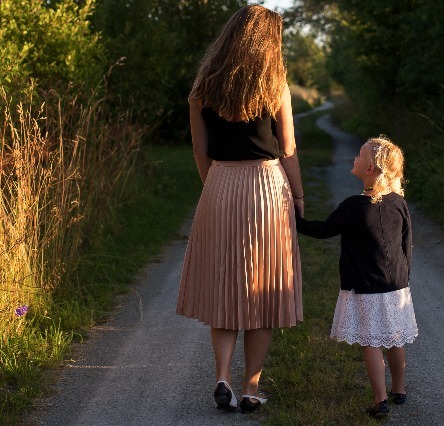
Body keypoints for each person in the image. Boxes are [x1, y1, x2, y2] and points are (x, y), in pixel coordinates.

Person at [174, 4, 305, 415]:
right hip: (266, 187)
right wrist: (299, 198)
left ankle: (222, 378)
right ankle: (251, 388)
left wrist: (214, 185)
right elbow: (287, 150)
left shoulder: (202, 88)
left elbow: (200, 149)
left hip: (220, 184)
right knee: (262, 289)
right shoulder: (275, 86)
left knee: (226, 286)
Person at [295, 136, 418, 419]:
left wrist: (293, 219)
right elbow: (406, 244)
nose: (354, 157)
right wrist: (404, 278)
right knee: (394, 338)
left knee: (371, 342)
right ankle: (399, 389)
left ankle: (380, 400)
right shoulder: (399, 203)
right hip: (396, 285)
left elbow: (324, 230)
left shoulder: (354, 206)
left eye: (359, 155)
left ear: (370, 168)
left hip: (365, 285)